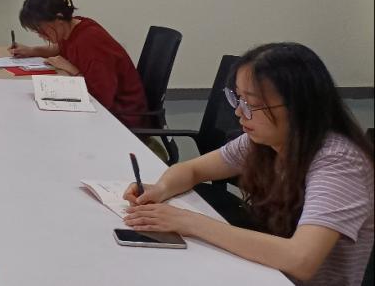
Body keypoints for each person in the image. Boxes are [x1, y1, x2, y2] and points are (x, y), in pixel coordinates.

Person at [123, 43, 374, 285]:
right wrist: (160, 189)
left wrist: (189, 222)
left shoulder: (339, 163)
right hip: (262, 269)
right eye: (237, 98)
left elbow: (301, 259)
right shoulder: (264, 142)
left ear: (298, 107)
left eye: (252, 104)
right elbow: (193, 170)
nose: (239, 113)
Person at [8, 0, 148, 127]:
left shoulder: (91, 42)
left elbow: (100, 99)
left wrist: (71, 69)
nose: (40, 35)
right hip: (107, 110)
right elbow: (60, 48)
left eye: (41, 29)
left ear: (58, 19)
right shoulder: (74, 27)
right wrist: (32, 51)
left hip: (121, 119)